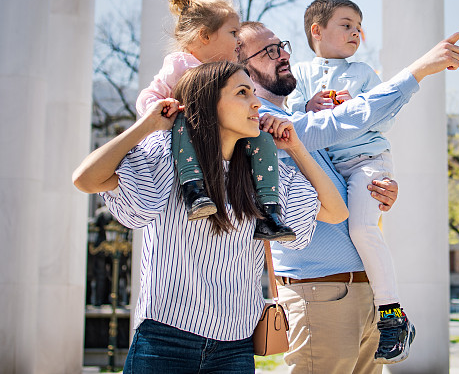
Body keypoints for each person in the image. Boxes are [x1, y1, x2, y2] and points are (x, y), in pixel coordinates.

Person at [72, 61, 348, 373]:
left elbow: (336, 212)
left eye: (254, 93)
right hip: (165, 341)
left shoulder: (262, 174)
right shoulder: (167, 155)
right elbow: (85, 179)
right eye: (242, 93)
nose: (256, 102)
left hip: (236, 346)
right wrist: (146, 126)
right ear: (207, 103)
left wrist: (296, 147)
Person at [238, 21, 459, 373]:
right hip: (318, 292)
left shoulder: (294, 115)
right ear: (242, 68)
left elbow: (343, 176)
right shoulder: (261, 122)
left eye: (281, 45)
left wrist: (379, 189)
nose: (284, 54)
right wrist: (418, 71)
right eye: (268, 51)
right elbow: (340, 124)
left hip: (363, 291)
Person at [285, 0, 410, 363]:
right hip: (331, 169)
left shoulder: (364, 74)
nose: (356, 31)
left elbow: (385, 119)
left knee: (363, 230)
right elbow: (290, 121)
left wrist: (355, 107)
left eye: (359, 26)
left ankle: (391, 314)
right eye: (346, 24)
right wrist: (308, 108)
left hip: (368, 163)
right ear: (317, 30)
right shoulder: (300, 75)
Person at [137, 0, 294, 241]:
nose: (238, 41)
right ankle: (194, 191)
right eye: (233, 33)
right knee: (185, 121)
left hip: (224, 138)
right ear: (204, 36)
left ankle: (269, 212)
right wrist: (162, 109)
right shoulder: (180, 64)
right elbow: (148, 96)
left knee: (263, 139)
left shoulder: (230, 72)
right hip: (190, 133)